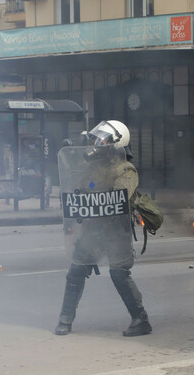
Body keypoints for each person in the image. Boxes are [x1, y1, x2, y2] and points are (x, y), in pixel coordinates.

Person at [55, 120, 152, 337]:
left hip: (115, 230)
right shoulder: (94, 168)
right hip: (92, 228)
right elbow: (84, 188)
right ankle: (65, 319)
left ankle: (141, 319)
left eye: (103, 141)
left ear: (117, 144)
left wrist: (96, 192)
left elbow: (120, 195)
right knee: (77, 269)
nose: (97, 144)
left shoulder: (125, 169)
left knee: (118, 272)